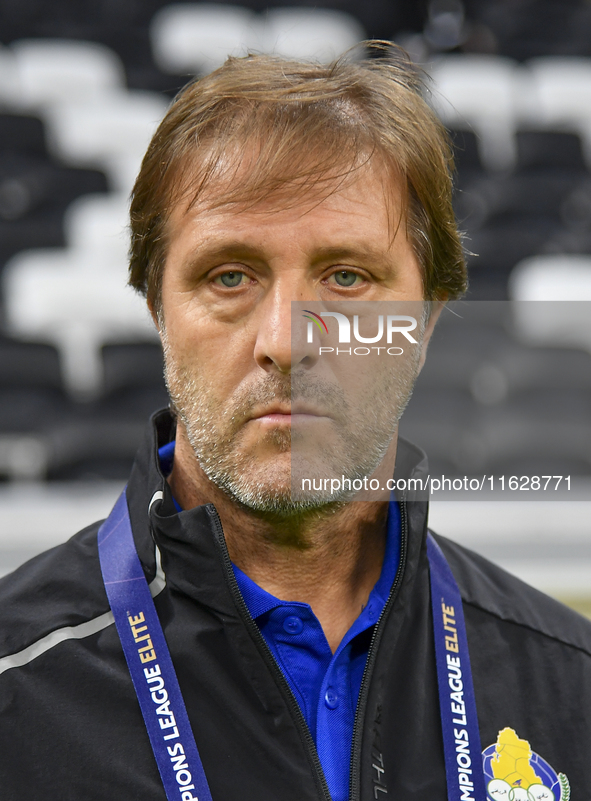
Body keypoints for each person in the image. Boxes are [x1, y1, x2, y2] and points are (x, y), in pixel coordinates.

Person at [1, 45, 591, 801]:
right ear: (156, 310)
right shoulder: (16, 688)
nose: (285, 339)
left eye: (345, 277)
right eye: (230, 277)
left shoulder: (569, 685)